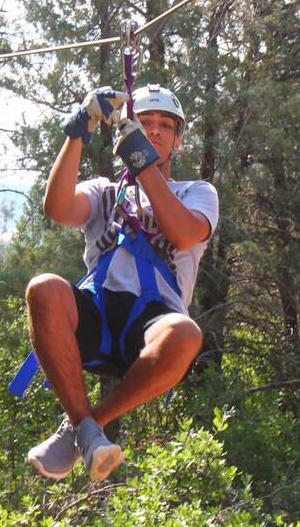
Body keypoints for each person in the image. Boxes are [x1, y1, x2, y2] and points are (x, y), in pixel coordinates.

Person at [25, 84, 219, 481]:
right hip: (96, 314)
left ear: (177, 140)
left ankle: (82, 428)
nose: (155, 131)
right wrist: (78, 130)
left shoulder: (197, 193)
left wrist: (142, 162)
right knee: (43, 288)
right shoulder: (106, 193)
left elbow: (184, 234)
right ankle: (87, 432)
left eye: (166, 125)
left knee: (186, 334)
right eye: (145, 123)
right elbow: (57, 208)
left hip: (151, 327)